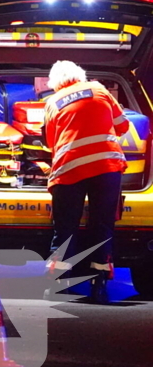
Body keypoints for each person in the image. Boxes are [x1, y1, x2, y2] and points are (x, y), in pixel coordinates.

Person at [42, 60, 129, 304]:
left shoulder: (52, 102)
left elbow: (50, 141)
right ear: (81, 75)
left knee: (65, 228)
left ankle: (57, 286)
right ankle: (99, 285)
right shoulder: (99, 89)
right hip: (106, 167)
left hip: (69, 169)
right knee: (101, 226)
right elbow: (123, 125)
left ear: (54, 83)